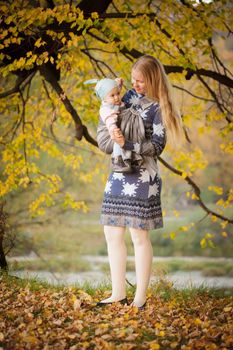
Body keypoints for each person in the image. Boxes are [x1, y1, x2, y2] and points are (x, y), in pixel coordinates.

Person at [96, 55, 183, 309]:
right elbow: (107, 114)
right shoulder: (126, 98)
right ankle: (118, 293)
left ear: (153, 79)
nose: (136, 85)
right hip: (119, 173)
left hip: (144, 176)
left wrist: (127, 145)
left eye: (141, 81)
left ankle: (140, 298)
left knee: (138, 235)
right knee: (111, 231)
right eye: (133, 79)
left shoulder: (159, 107)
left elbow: (156, 147)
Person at [85, 77, 143, 173]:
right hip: (106, 138)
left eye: (118, 94)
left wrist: (118, 84)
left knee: (124, 134)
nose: (116, 97)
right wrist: (114, 131)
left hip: (112, 131)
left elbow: (113, 91)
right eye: (112, 95)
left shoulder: (114, 101)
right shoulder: (106, 110)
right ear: (104, 98)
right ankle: (118, 161)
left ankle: (130, 158)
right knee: (119, 137)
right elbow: (110, 121)